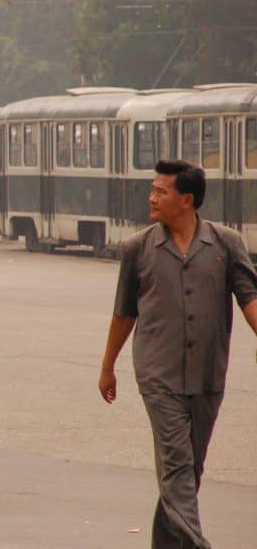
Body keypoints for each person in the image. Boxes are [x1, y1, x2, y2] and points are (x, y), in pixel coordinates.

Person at [100, 160, 257, 549]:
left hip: (207, 374)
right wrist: (108, 366)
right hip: (158, 374)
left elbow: (249, 298)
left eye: (160, 191)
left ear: (186, 200)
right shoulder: (137, 248)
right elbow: (124, 313)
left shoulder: (226, 244)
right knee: (177, 465)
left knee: (188, 470)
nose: (151, 198)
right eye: (152, 190)